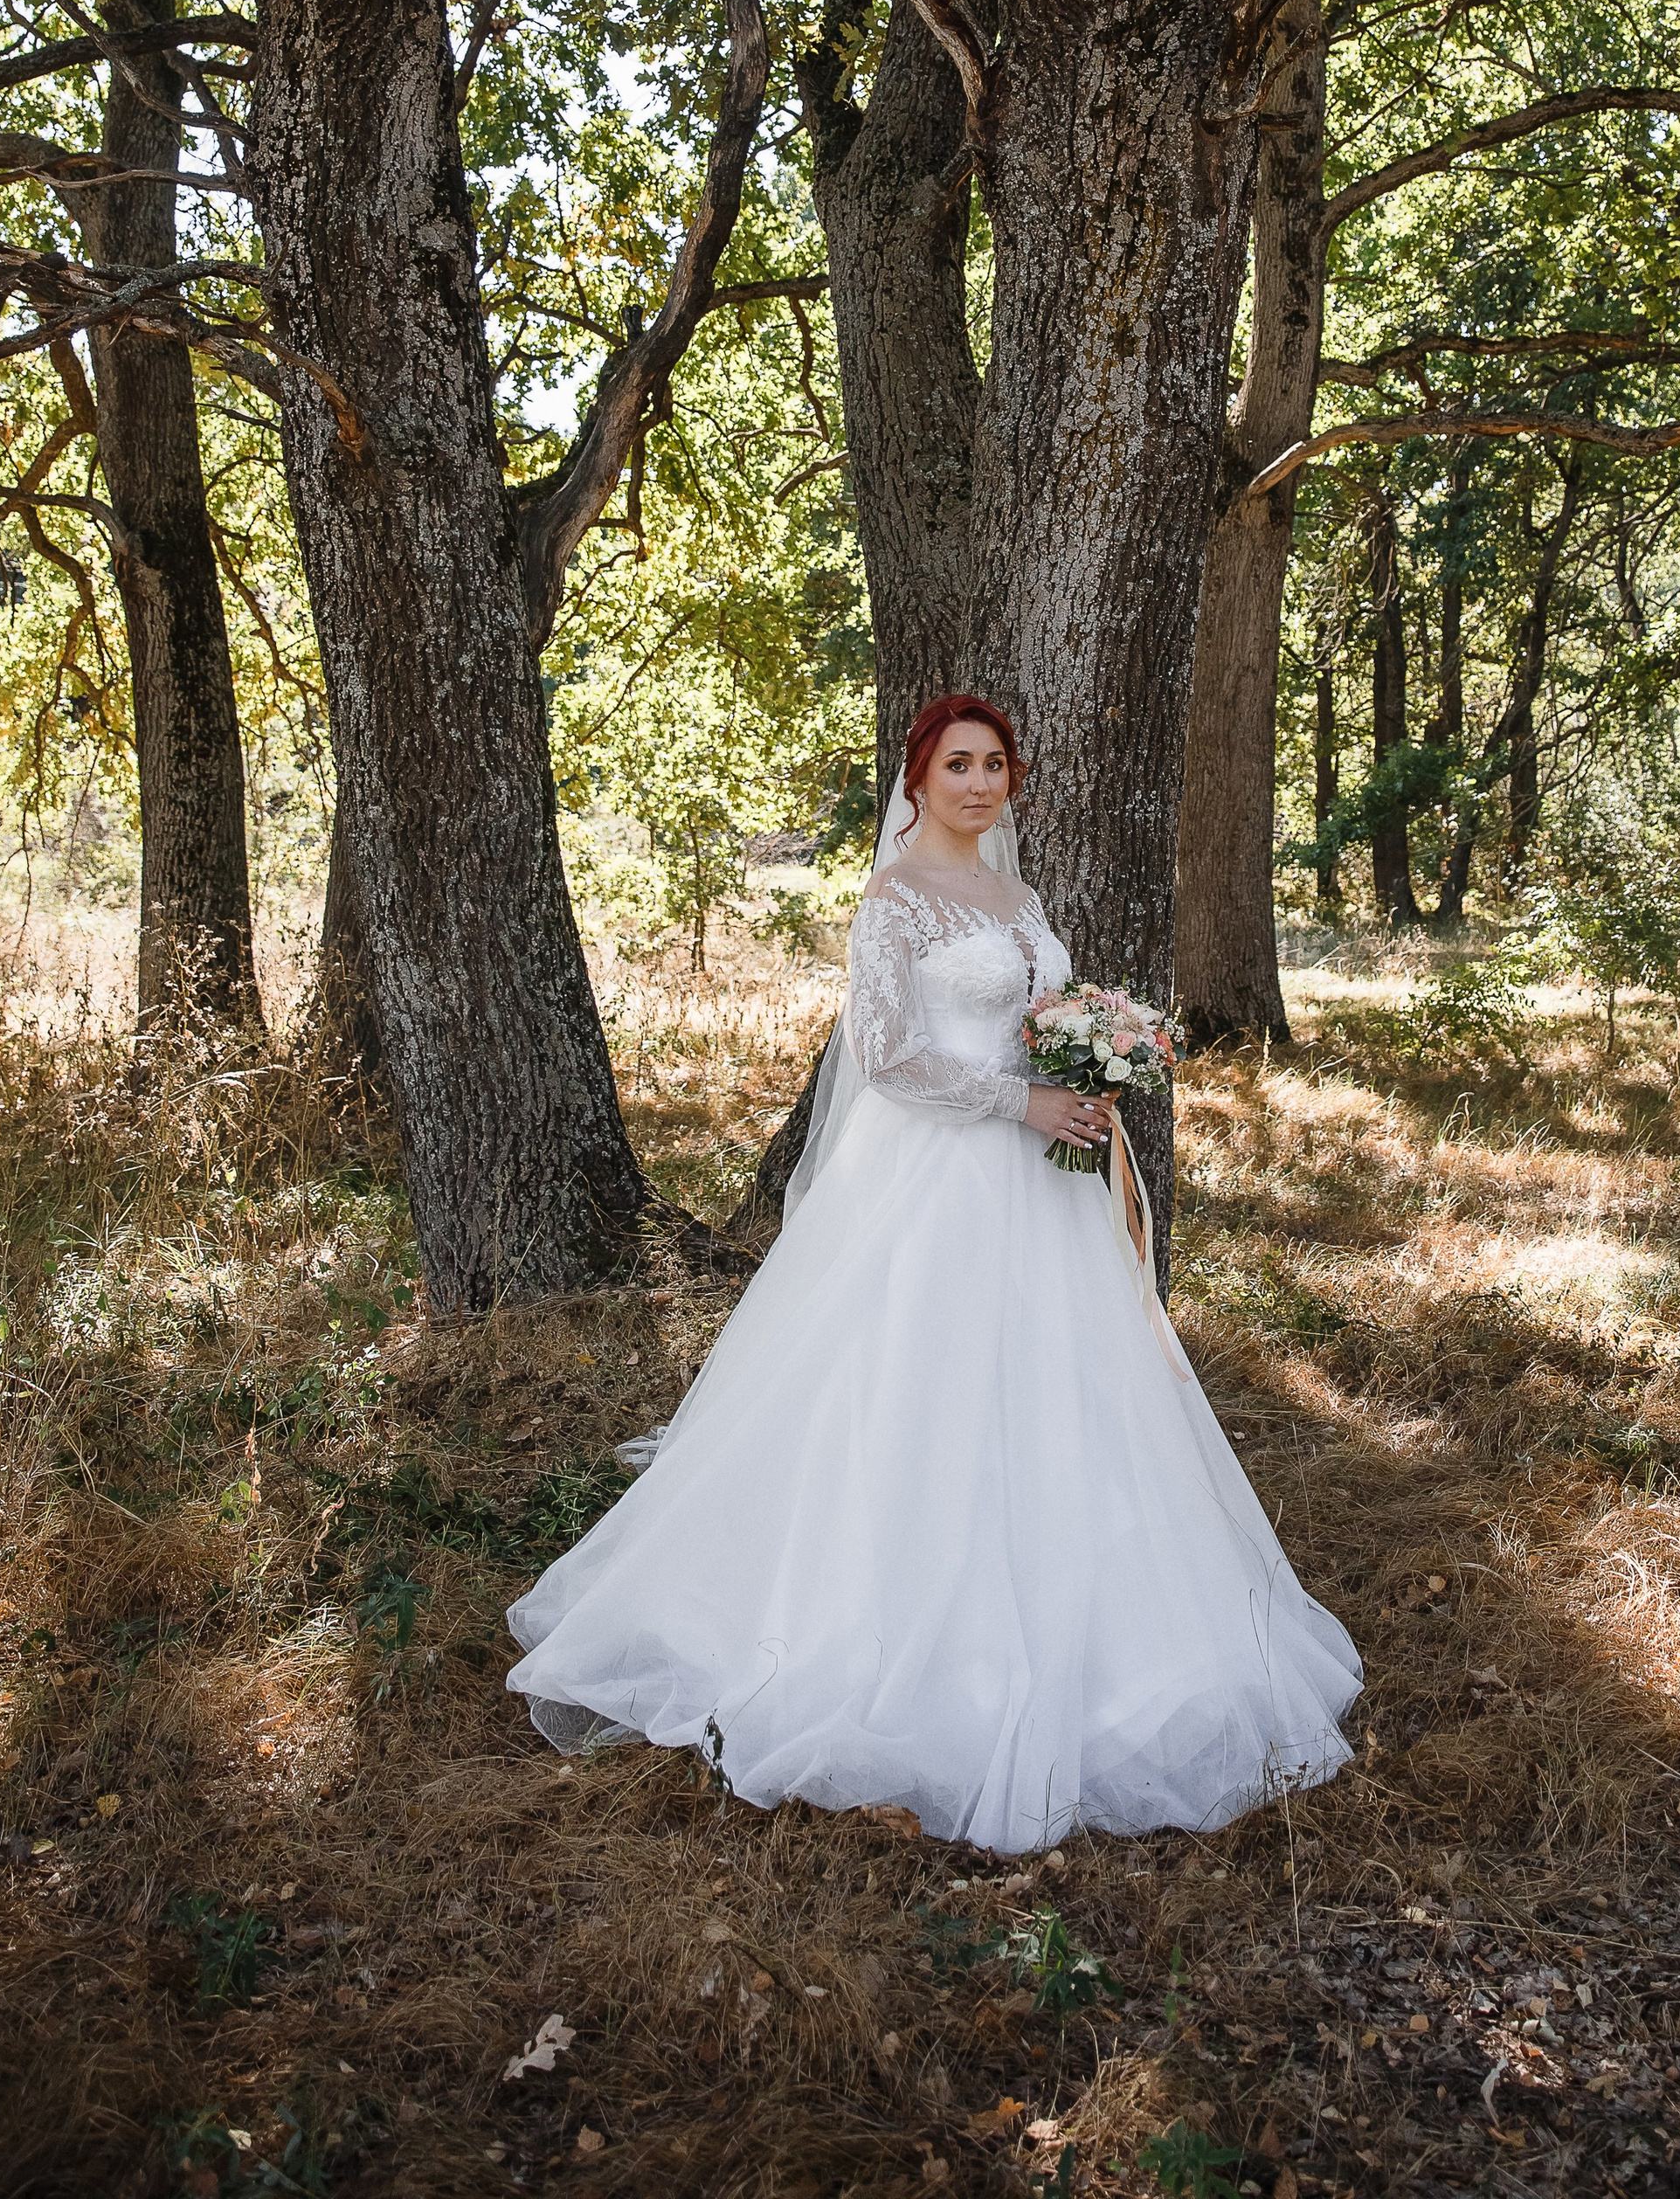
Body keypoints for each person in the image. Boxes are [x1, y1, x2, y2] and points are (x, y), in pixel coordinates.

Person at [506, 691, 1360, 1851]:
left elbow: (1034, 1012)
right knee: (914, 1388)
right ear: (918, 778)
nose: (977, 782)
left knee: (1066, 1397)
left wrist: (1088, 1060)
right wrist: (1023, 1101)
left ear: (1012, 782)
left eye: (994, 765)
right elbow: (889, 1053)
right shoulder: (894, 898)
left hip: (1040, 1190)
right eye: (957, 763)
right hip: (935, 1175)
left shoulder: (1018, 896)